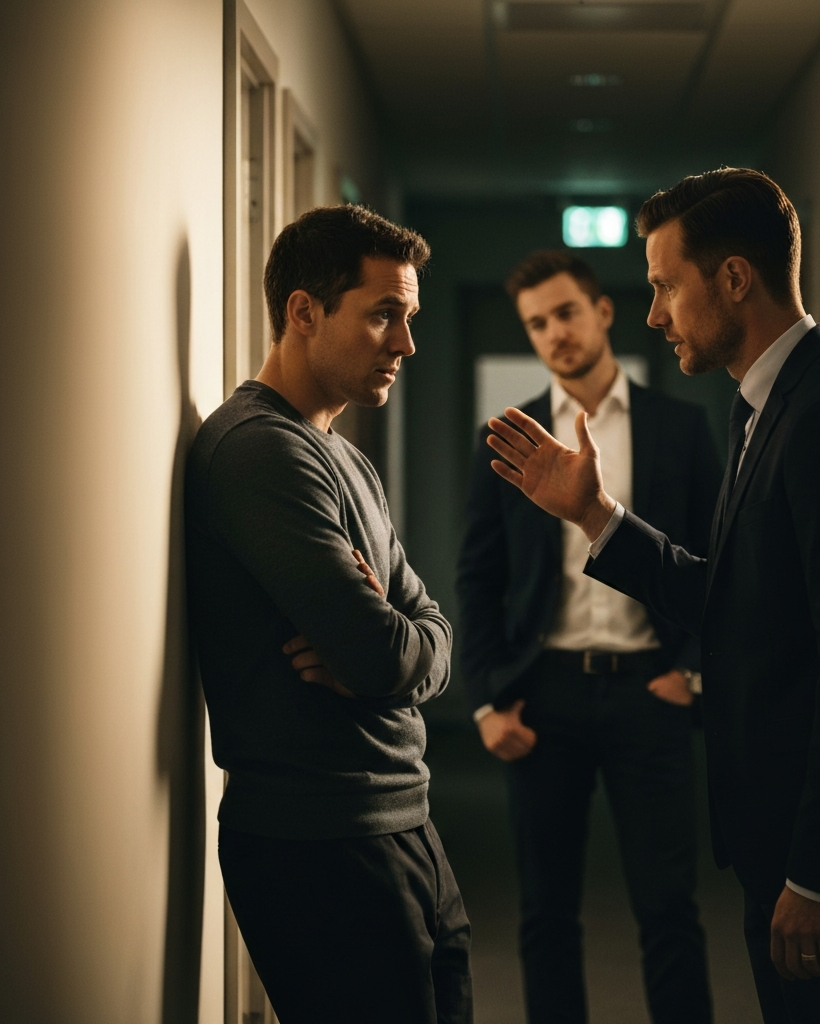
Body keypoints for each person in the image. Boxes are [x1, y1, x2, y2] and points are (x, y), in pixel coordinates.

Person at [483, 169, 820, 1024]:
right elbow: (738, 596)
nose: (654, 313)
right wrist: (595, 515)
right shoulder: (763, 404)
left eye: (667, 285)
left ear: (734, 278)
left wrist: (819, 874)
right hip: (785, 835)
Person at [185, 205, 472, 1024]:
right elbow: (383, 653)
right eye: (383, 314)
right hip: (321, 839)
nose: (405, 343)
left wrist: (392, 642)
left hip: (401, 819)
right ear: (303, 311)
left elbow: (429, 637)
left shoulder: (343, 455)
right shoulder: (257, 450)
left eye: (409, 318)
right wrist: (389, 643)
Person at [457, 250, 720, 1024]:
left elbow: (717, 566)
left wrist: (692, 673)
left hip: (652, 688)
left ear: (603, 313)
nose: (553, 334)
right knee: (544, 914)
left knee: (670, 911)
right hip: (545, 694)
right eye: (536, 323)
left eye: (566, 313)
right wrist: (486, 701)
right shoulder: (507, 440)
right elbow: (477, 577)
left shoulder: (681, 428)